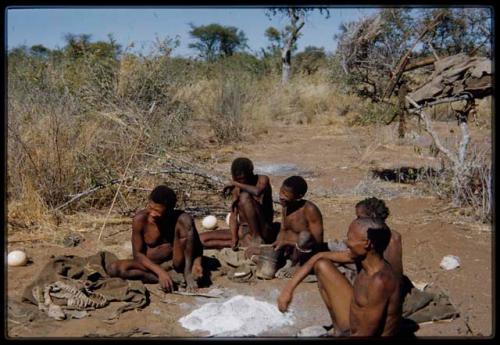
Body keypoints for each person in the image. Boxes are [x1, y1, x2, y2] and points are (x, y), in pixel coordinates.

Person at [277, 217, 402, 336]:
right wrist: (288, 290)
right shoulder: (363, 258)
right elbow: (319, 256)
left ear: (367, 243)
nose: (347, 243)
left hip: (362, 334)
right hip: (354, 325)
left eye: (350, 238)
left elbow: (366, 334)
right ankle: (339, 331)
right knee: (322, 265)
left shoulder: (381, 281)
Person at [108, 185, 203, 292]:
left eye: (158, 211)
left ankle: (186, 273)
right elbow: (138, 255)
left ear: (169, 210)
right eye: (150, 208)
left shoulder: (179, 221)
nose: (152, 214)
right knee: (114, 269)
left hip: (177, 264)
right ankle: (170, 278)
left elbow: (198, 247)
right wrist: (160, 273)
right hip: (150, 265)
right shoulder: (141, 220)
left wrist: (196, 263)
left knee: (185, 219)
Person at [199, 157, 277, 250]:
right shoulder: (237, 188)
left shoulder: (262, 179)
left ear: (250, 172)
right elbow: (233, 216)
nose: (239, 181)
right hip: (243, 230)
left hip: (263, 230)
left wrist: (236, 184)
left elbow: (257, 192)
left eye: (242, 179)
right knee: (201, 240)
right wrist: (234, 237)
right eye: (236, 179)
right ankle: (241, 243)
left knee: (244, 197)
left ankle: (256, 237)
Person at [272, 176, 324, 276]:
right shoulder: (286, 206)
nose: (281, 197)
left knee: (304, 236)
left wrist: (286, 242)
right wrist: (277, 246)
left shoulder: (310, 210)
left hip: (304, 255)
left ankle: (300, 266)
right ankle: (289, 261)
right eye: (281, 192)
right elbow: (283, 230)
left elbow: (318, 242)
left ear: (298, 196)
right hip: (289, 252)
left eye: (286, 194)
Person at [355, 197, 403, 278]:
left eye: (359, 217)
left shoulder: (378, 238)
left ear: (372, 216)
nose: (356, 221)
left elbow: (350, 256)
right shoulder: (392, 235)